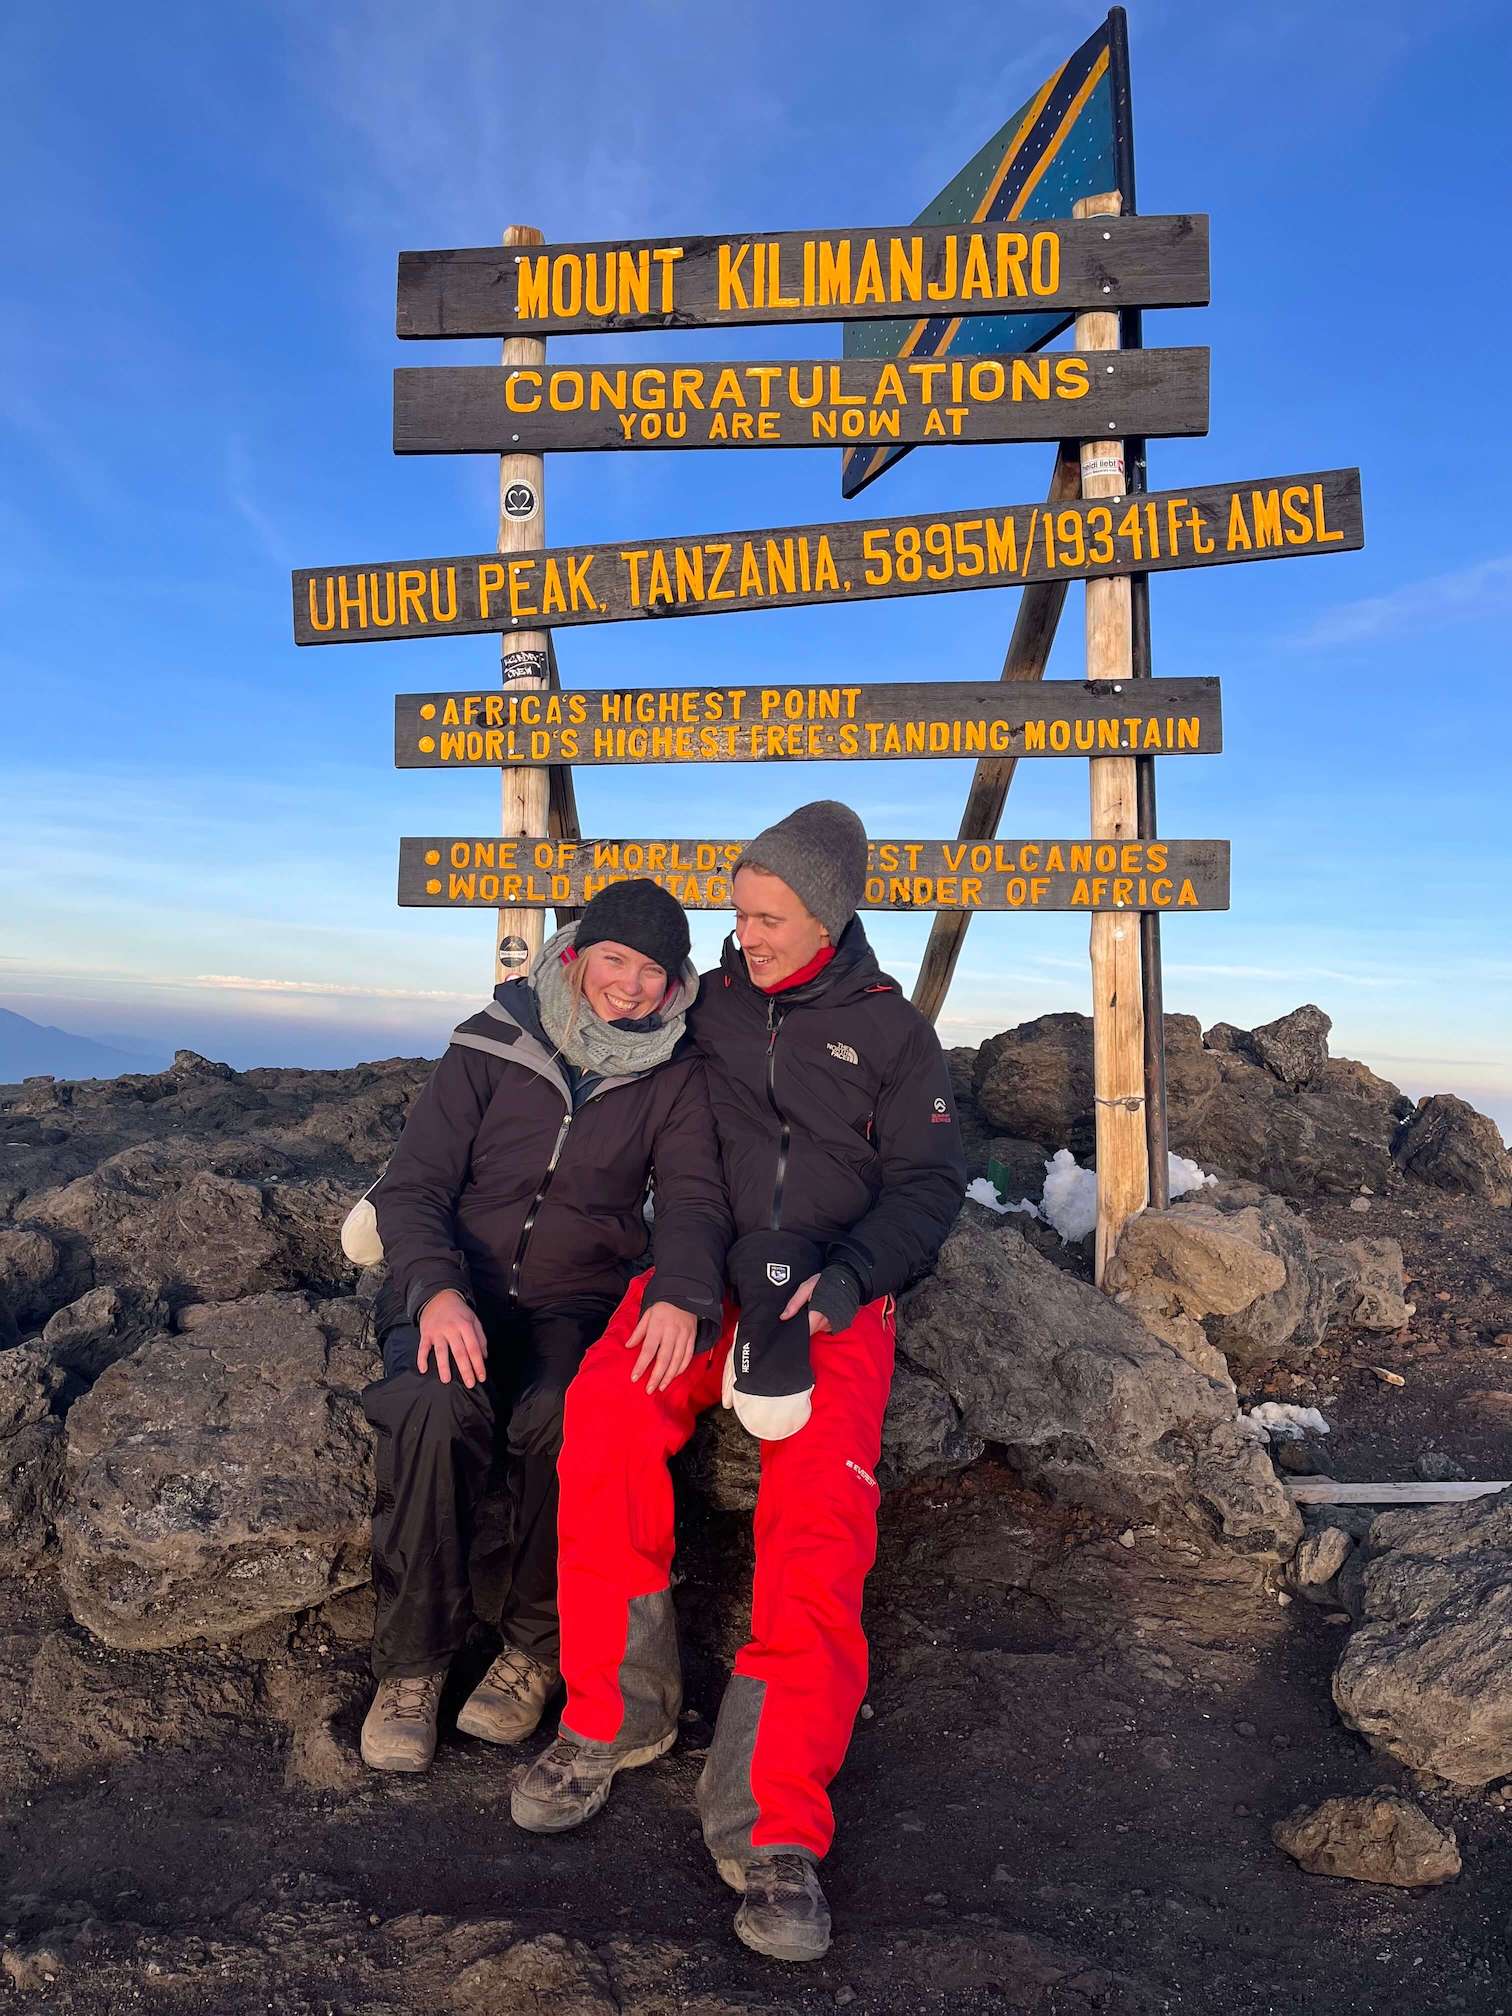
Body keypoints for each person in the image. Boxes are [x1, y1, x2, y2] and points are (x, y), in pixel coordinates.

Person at [512, 802, 966, 1963]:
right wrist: (674, 1277)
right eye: (738, 911)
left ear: (830, 917)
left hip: (829, 1293)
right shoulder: (708, 1008)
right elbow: (670, 1139)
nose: (743, 934)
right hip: (702, 1275)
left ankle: (774, 1825)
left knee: (819, 1509)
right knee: (606, 1411)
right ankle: (613, 1714)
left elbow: (926, 1189)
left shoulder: (895, 1034)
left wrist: (849, 1279)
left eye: (766, 917)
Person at [357, 879, 729, 1775]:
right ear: (577, 953)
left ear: (675, 980)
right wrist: (437, 1291)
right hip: (459, 1287)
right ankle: (412, 1666)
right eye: (615, 960)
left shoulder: (676, 1074)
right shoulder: (492, 1041)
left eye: (652, 970)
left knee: (565, 1415)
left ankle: (533, 1650)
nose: (631, 986)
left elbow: (690, 1198)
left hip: (577, 1301)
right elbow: (412, 1189)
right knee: (432, 1407)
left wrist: (680, 1288)